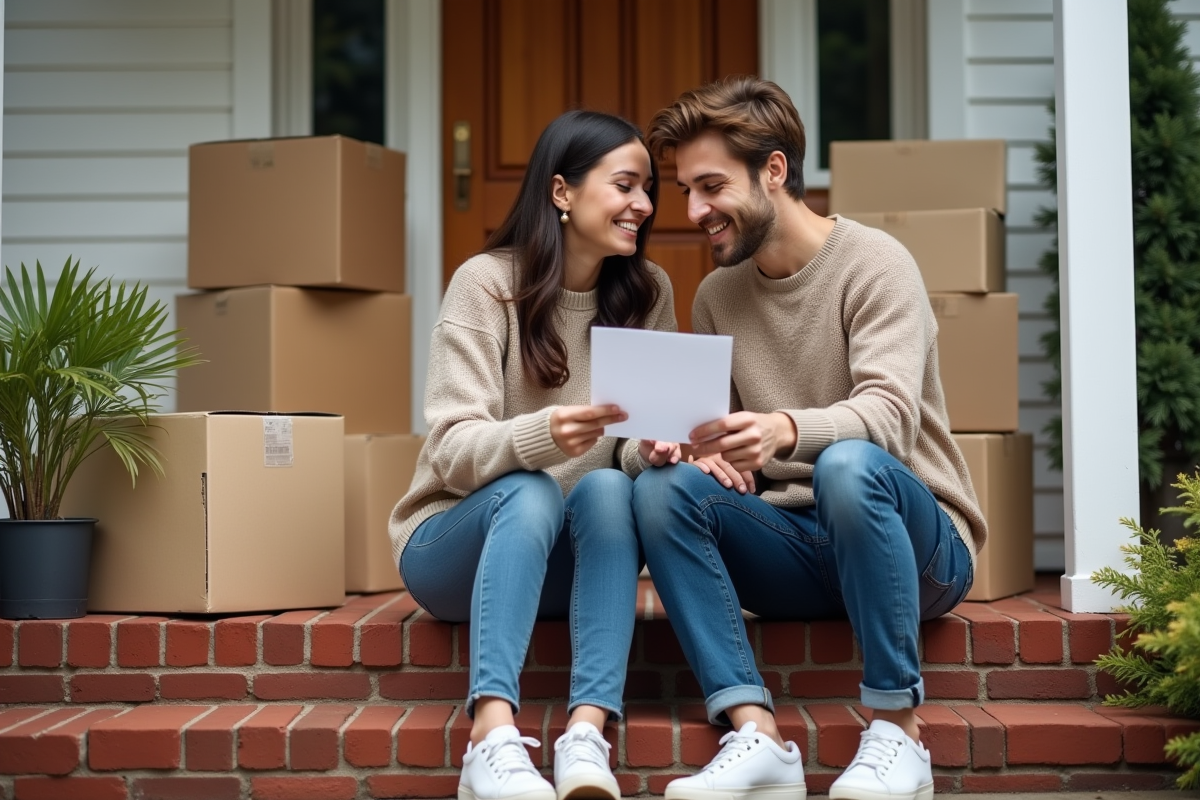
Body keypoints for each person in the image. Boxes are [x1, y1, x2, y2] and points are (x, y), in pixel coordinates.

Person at [633, 77, 987, 800]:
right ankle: (757, 736)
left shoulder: (875, 263)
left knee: (849, 467)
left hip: (916, 549)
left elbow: (889, 416)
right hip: (797, 548)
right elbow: (736, 459)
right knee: (661, 490)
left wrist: (787, 429)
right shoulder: (716, 296)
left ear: (774, 171)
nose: (695, 212)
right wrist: (691, 451)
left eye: (710, 187)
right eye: (686, 192)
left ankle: (898, 732)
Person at [390, 109, 678, 800]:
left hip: (568, 565)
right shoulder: (486, 285)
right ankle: (491, 735)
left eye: (649, 190)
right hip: (453, 548)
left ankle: (587, 731)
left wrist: (657, 448)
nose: (643, 205)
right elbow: (452, 452)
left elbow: (632, 453)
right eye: (626, 185)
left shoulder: (647, 292)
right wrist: (545, 435)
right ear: (561, 193)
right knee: (532, 490)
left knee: (608, 491)